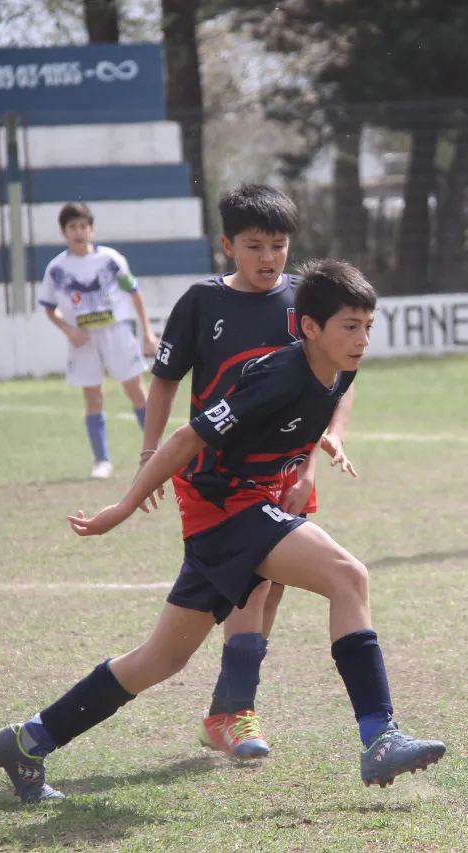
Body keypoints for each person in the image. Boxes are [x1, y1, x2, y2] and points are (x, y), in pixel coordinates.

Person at [0, 259, 446, 804]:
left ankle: (27, 740)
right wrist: (125, 505)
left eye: (368, 326)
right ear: (309, 328)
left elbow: (316, 413)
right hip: (225, 509)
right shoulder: (278, 374)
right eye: (350, 326)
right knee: (349, 576)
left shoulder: (340, 367)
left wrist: (307, 462)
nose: (363, 339)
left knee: (160, 660)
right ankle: (379, 735)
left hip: (245, 508)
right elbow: (187, 439)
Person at [141, 183, 357, 759]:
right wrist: (149, 453)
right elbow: (165, 380)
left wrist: (319, 452)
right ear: (227, 246)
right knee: (251, 589)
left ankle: (224, 711)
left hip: (286, 473)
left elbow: (334, 382)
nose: (268, 258)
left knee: (270, 591)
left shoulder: (304, 306)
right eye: (255, 245)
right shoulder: (201, 302)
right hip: (220, 480)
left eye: (280, 245)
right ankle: (239, 715)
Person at [38, 202, 159, 479]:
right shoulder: (56, 268)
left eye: (83, 226)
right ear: (63, 232)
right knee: (93, 395)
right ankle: (102, 460)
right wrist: (69, 331)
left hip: (116, 331)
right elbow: (48, 307)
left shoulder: (110, 259)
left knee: (136, 390)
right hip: (83, 338)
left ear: (91, 229)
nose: (78, 232)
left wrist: (148, 331)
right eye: (72, 227)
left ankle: (156, 452)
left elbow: (135, 293)